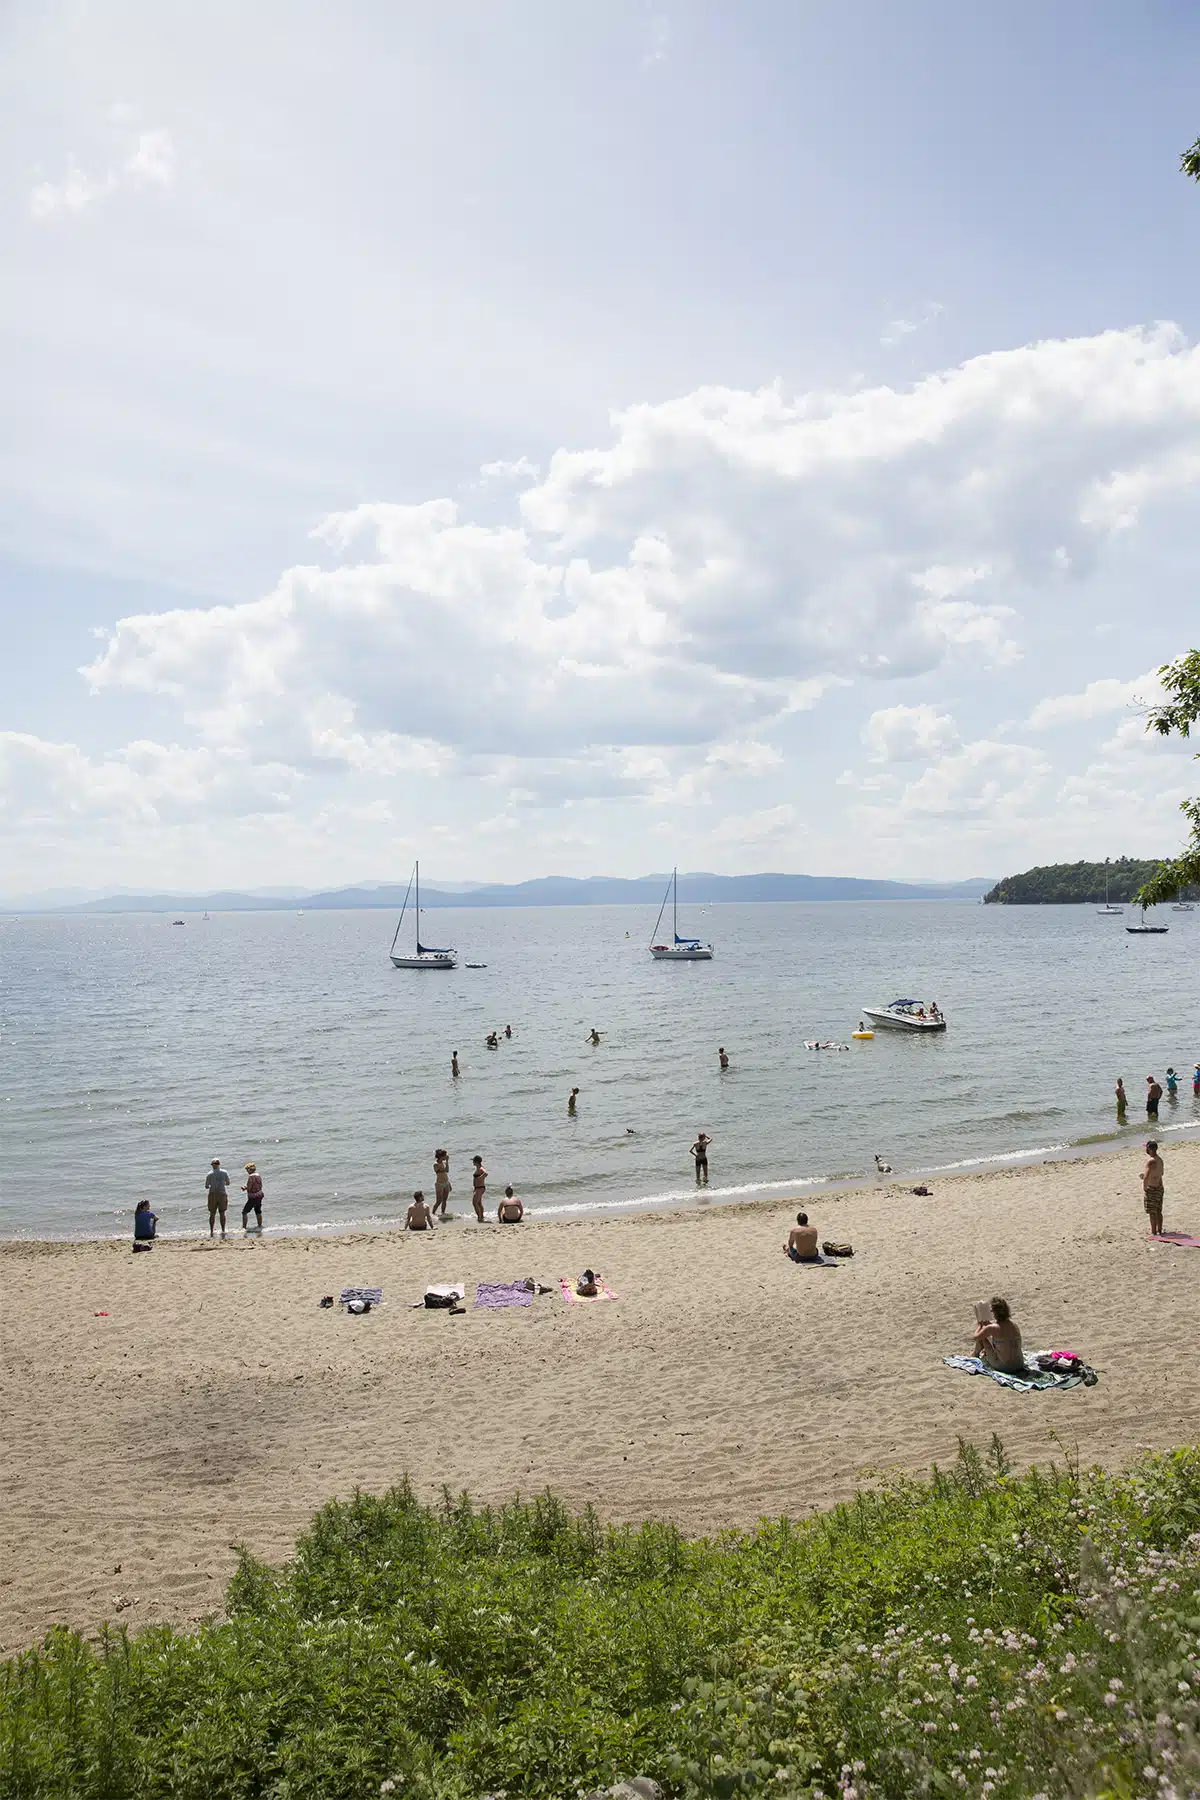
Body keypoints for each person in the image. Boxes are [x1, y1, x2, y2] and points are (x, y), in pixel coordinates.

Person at [974, 1297, 1025, 1374]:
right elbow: (1001, 1332)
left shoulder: (993, 1328)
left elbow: (975, 1337)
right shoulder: (1014, 1325)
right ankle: (979, 1353)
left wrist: (979, 1326)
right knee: (995, 1340)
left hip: (1005, 1367)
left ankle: (975, 1353)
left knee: (984, 1338)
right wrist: (987, 1326)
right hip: (1020, 1364)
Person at [1143, 1140, 1165, 1237]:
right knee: (1158, 1210)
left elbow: (1146, 1176)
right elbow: (1161, 1173)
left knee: (1152, 1212)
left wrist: (1145, 1187)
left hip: (1152, 1188)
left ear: (1149, 1149)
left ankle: (1153, 1232)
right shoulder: (1160, 1160)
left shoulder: (1150, 1161)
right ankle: (1159, 1230)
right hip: (1160, 1187)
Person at [204, 1159, 230, 1239]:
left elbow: (206, 1186)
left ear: (212, 1165)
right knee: (222, 1213)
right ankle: (223, 1230)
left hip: (212, 1194)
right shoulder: (224, 1172)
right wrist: (222, 1183)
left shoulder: (209, 1174)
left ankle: (211, 1231)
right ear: (219, 1164)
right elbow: (228, 1183)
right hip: (222, 1193)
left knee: (212, 1213)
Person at [241, 1162, 264, 1230]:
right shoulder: (258, 1175)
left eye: (247, 1170)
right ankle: (260, 1226)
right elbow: (260, 1186)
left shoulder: (251, 1177)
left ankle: (244, 1228)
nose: (247, 1171)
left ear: (250, 1169)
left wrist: (244, 1188)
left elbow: (249, 1187)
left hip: (253, 1197)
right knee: (258, 1211)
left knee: (244, 1212)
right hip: (259, 1194)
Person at [432, 1149, 451, 1218]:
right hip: (439, 1184)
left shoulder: (444, 1163)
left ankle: (443, 1213)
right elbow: (444, 1170)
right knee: (439, 1201)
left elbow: (447, 1171)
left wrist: (449, 1184)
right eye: (445, 1155)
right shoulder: (436, 1164)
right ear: (441, 1156)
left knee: (444, 1200)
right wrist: (447, 1161)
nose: (446, 1156)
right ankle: (432, 1214)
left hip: (446, 1182)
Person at [471, 1154, 487, 1220]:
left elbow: (486, 1173)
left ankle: (479, 1217)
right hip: (478, 1188)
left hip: (480, 1187)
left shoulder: (481, 1168)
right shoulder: (478, 1168)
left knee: (474, 1203)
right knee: (479, 1203)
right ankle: (481, 1216)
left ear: (476, 1162)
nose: (473, 1162)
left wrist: (480, 1178)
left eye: (473, 1161)